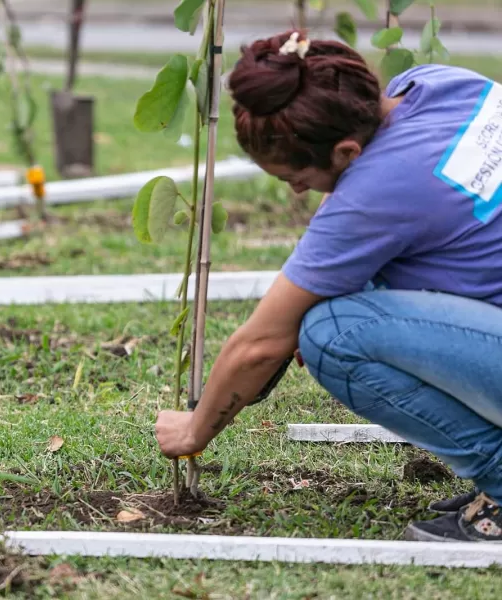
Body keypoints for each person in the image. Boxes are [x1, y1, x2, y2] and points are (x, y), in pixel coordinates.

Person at [155, 30, 502, 543]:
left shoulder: (375, 192)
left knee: (331, 332)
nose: (297, 189)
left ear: (345, 150)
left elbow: (260, 345)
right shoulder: (439, 86)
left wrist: (193, 430)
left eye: (294, 176)